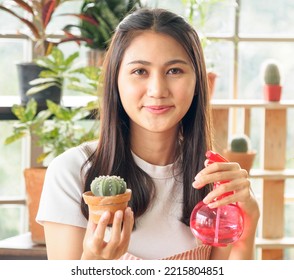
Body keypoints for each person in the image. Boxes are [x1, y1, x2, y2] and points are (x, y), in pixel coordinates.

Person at [36, 7, 260, 260]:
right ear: (115, 81)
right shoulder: (71, 172)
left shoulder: (214, 180)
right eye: (140, 71)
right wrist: (92, 262)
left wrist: (249, 218)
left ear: (198, 82)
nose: (157, 89)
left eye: (174, 70)